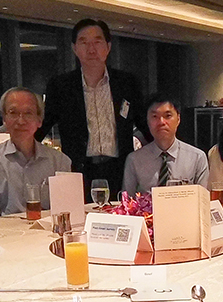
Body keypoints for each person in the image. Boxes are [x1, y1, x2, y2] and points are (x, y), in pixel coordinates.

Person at [41, 19, 147, 199]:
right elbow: (44, 124)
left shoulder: (127, 83)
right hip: (78, 171)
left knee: (120, 214)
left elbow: (143, 123)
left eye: (97, 42)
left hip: (120, 170)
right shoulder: (61, 86)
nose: (91, 49)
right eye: (84, 42)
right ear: (74, 48)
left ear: (108, 47)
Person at [0, 87, 71, 215]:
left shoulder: (60, 162)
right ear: (4, 119)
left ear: (39, 120)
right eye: (13, 113)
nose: (21, 121)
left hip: (47, 228)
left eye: (28, 113)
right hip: (5, 228)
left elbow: (66, 213)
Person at [122, 93, 208, 195]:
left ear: (178, 119)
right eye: (155, 116)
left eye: (168, 116)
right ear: (147, 120)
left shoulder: (197, 158)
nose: (161, 122)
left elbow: (203, 200)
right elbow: (127, 201)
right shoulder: (134, 160)